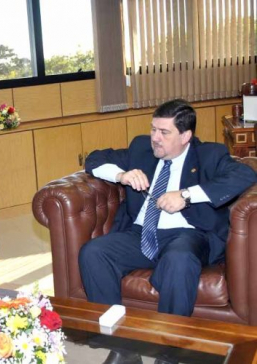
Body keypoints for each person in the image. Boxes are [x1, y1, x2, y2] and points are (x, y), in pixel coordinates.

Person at [79, 99, 256, 362]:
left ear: (186, 136)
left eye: (164, 132)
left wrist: (186, 195)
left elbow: (245, 175)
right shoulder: (141, 148)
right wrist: (122, 176)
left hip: (188, 235)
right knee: (93, 252)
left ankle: (168, 352)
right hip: (141, 233)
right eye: (153, 129)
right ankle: (123, 347)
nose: (155, 138)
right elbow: (95, 158)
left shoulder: (209, 154)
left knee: (179, 259)